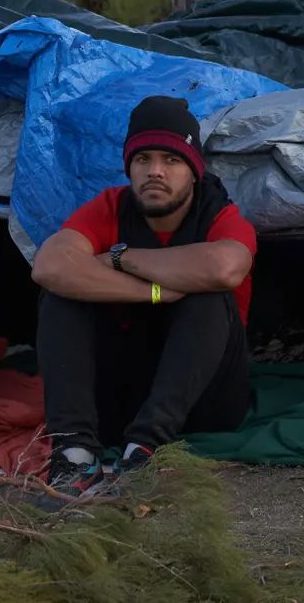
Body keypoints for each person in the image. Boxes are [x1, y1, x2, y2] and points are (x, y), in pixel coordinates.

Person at [30, 95, 256, 493]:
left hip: (205, 398)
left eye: (171, 160)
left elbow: (224, 267)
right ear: (129, 168)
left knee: (206, 293)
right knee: (61, 294)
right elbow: (50, 265)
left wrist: (114, 258)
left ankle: (144, 452)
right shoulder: (109, 208)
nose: (155, 172)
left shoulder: (221, 215)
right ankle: (73, 454)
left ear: (193, 171)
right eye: (142, 159)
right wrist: (153, 290)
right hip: (124, 394)